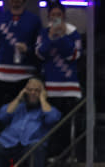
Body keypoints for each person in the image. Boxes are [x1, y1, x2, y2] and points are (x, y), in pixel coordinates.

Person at [0, 78, 61, 167]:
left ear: (43, 93)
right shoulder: (18, 106)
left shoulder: (47, 108)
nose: (33, 93)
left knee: (36, 148)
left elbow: (53, 118)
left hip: (30, 145)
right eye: (30, 90)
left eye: (36, 90)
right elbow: (2, 116)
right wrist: (18, 98)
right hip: (8, 142)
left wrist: (43, 99)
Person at [0, 0, 42, 136]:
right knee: (3, 115)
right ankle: (3, 148)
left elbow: (40, 48)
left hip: (25, 77)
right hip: (2, 76)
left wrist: (27, 50)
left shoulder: (34, 20)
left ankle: (21, 149)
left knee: (25, 116)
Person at [35, 0, 83, 156]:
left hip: (70, 89)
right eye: (53, 14)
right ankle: (53, 156)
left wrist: (61, 36)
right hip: (50, 89)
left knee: (69, 126)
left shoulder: (73, 32)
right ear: (48, 16)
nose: (56, 17)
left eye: (59, 14)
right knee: (52, 125)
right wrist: (50, 37)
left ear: (64, 16)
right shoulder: (44, 33)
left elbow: (74, 55)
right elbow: (40, 54)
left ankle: (70, 156)